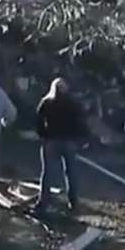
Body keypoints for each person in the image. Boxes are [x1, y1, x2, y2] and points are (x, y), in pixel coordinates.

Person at [34, 77, 87, 213]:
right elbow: (80, 122)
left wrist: (43, 135)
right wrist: (79, 139)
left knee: (48, 173)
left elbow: (39, 120)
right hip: (69, 141)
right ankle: (73, 202)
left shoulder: (46, 102)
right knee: (71, 173)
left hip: (51, 140)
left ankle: (43, 202)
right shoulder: (73, 103)